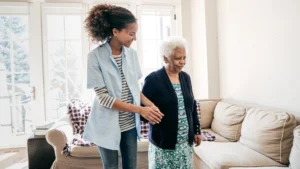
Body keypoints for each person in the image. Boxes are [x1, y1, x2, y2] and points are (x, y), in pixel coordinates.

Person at [83, 4, 164, 169]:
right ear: (115, 32)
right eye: (131, 34)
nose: (134, 38)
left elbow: (135, 89)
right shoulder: (95, 57)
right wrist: (140, 110)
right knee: (111, 167)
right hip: (106, 125)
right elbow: (104, 99)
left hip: (129, 126)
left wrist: (150, 105)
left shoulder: (132, 54)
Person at [142, 36, 202, 169]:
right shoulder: (153, 79)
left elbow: (192, 106)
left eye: (184, 58)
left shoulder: (185, 78)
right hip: (163, 145)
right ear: (165, 58)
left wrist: (197, 130)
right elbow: (142, 111)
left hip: (185, 145)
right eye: (177, 58)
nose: (182, 62)